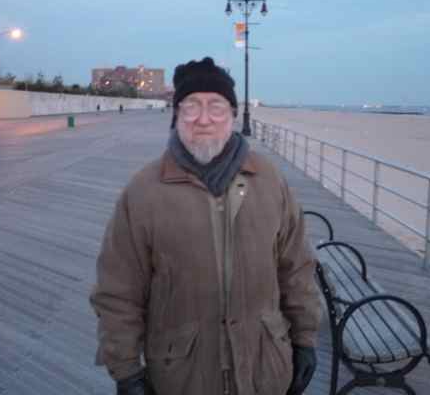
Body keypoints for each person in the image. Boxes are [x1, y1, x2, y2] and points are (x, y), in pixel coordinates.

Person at [90, 57, 322, 395]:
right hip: (181, 376)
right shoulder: (144, 191)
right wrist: (125, 370)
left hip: (265, 368)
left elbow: (296, 267)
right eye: (191, 106)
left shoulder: (269, 180)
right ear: (176, 115)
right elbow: (118, 289)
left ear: (231, 114)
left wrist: (304, 338)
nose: (203, 119)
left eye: (215, 106)